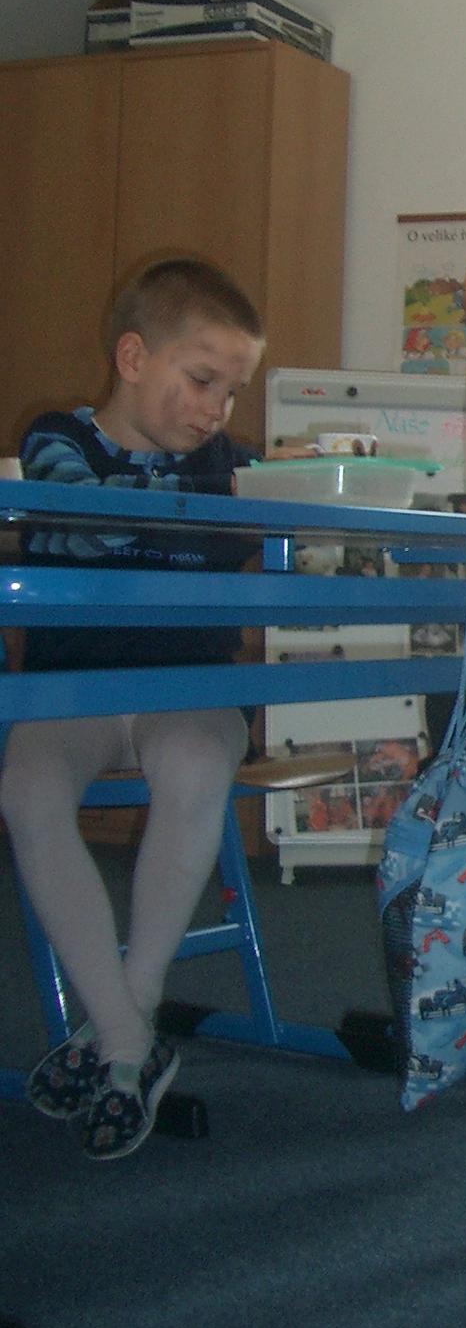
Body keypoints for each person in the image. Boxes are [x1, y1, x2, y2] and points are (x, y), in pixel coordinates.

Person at [1, 259, 265, 1160]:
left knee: (195, 762)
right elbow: (77, 521)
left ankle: (128, 1016)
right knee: (27, 792)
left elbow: (267, 514)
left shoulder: (225, 462)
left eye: (231, 392)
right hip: (72, 692)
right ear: (133, 357)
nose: (215, 410)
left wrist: (228, 499)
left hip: (188, 691)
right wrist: (204, 507)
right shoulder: (56, 437)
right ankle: (126, 1038)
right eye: (202, 380)